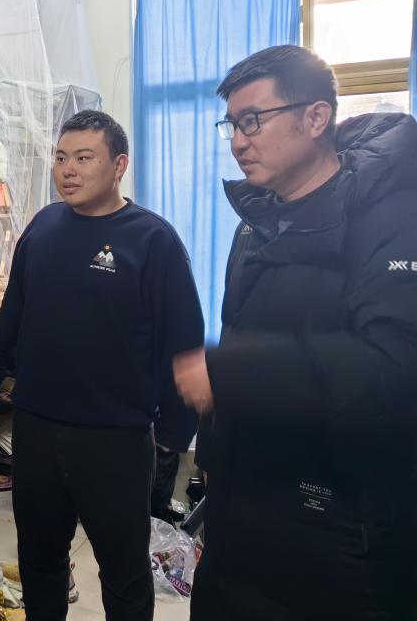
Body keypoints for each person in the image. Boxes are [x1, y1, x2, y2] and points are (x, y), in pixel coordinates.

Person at [174, 45, 417, 620]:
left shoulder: (391, 220)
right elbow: (238, 333)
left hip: (338, 532)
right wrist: (213, 449)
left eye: (253, 120)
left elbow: (394, 374)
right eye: (231, 125)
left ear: (315, 117)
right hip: (241, 511)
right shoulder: (257, 223)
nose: (238, 141)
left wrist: (230, 373)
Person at [0, 110, 203, 621]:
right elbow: (17, 303)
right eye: (61, 158)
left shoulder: (153, 240)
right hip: (37, 426)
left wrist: (175, 430)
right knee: (39, 557)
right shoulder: (43, 225)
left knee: (122, 571)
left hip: (114, 438)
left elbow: (183, 338)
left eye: (83, 158)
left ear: (119, 165)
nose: (68, 170)